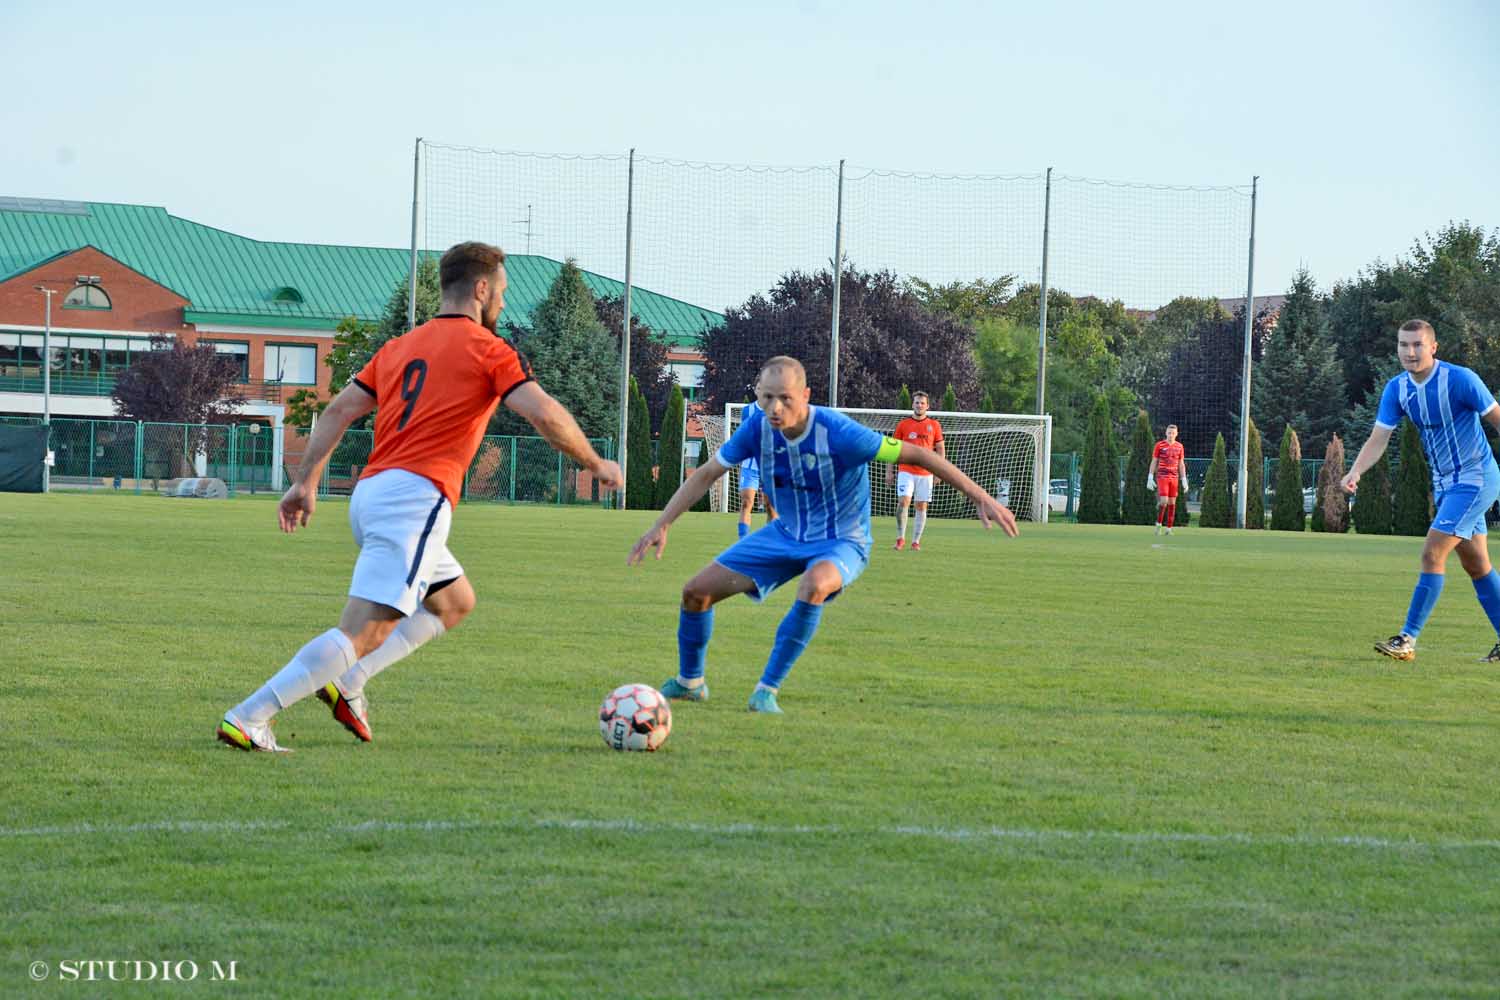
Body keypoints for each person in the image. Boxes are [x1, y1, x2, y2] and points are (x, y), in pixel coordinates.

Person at [216, 241, 623, 751]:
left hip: (373, 494)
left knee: (454, 601)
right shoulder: (488, 349)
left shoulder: (400, 348)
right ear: (480, 289)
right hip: (415, 500)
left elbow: (337, 412)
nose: (502, 302)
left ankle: (349, 681)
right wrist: (596, 463)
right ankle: (250, 715)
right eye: (501, 292)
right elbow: (543, 413)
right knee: (364, 629)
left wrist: (306, 482)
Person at [628, 357, 1017, 714]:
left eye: (785, 398)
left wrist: (980, 496)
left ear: (806, 396)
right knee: (696, 592)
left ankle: (766, 690)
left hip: (842, 539)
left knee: (815, 583)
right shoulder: (757, 429)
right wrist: (662, 523)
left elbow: (919, 456)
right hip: (786, 533)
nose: (775, 408)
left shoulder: (840, 432)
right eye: (767, 398)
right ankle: (690, 682)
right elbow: (706, 473)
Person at [1341, 318, 1500, 663]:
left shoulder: (1460, 380)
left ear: (1433, 347)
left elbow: (1497, 418)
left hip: (1476, 479)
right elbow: (1379, 437)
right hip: (1445, 484)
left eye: (1417, 345)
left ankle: (1406, 639)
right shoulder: (1397, 389)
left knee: (1432, 553)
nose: (1410, 352)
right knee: (1478, 566)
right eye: (1403, 345)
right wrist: (1355, 470)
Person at [886, 391, 945, 550]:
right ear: (913, 405)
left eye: (922, 403)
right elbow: (892, 449)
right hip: (906, 470)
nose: (919, 405)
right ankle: (900, 539)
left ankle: (916, 541)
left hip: (926, 473)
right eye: (917, 402)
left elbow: (940, 448)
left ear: (927, 406)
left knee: (922, 506)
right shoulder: (903, 425)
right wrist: (889, 471)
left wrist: (940, 471)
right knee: (903, 501)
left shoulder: (934, 425)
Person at [1147, 424, 1187, 535]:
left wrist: (1184, 479)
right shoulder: (1159, 445)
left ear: (1177, 434)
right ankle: (1159, 523)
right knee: (1164, 500)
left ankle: (1169, 528)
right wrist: (1150, 477)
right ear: (1166, 433)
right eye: (1169, 433)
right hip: (1162, 476)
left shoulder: (1179, 446)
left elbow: (1181, 464)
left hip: (1174, 477)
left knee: (1172, 502)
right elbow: (1154, 461)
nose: (1171, 435)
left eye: (1173, 433)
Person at [737, 456, 777, 537]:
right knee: (746, 503)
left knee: (771, 508)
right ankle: (743, 542)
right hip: (749, 468)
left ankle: (771, 542)